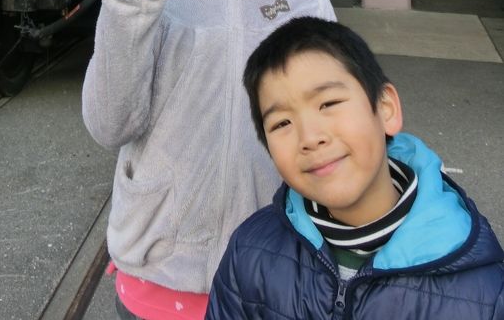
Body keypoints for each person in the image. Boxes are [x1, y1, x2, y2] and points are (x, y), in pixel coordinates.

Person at [82, 0, 336, 320]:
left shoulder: (304, 0)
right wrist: (130, 10)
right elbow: (110, 125)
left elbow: (333, 134)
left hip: (273, 270)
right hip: (158, 269)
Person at [206, 17, 504, 320]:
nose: (310, 137)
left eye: (329, 103)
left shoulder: (484, 292)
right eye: (282, 122)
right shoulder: (251, 250)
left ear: (386, 109)